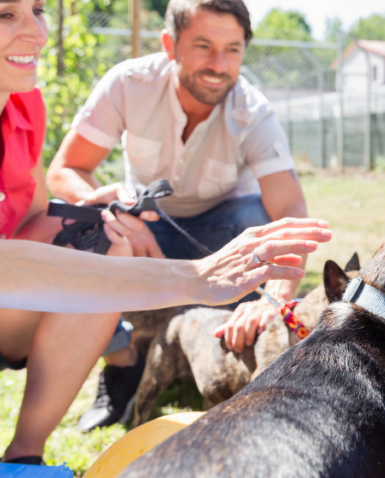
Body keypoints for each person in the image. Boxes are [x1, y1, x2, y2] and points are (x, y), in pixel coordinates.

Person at [0, 0, 330, 469]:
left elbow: (31, 224)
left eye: (38, 10)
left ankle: (24, 455)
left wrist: (92, 216)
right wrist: (196, 276)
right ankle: (124, 350)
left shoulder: (23, 107)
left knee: (105, 237)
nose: (38, 34)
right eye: (5, 14)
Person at [45, 0, 308, 430]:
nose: (219, 65)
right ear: (170, 44)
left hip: (224, 238)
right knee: (90, 227)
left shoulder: (254, 112)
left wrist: (274, 300)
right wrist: (115, 213)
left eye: (233, 50)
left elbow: (291, 211)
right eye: (203, 46)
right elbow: (65, 170)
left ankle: (236, 353)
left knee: (253, 213)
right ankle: (123, 365)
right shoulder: (129, 83)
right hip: (149, 230)